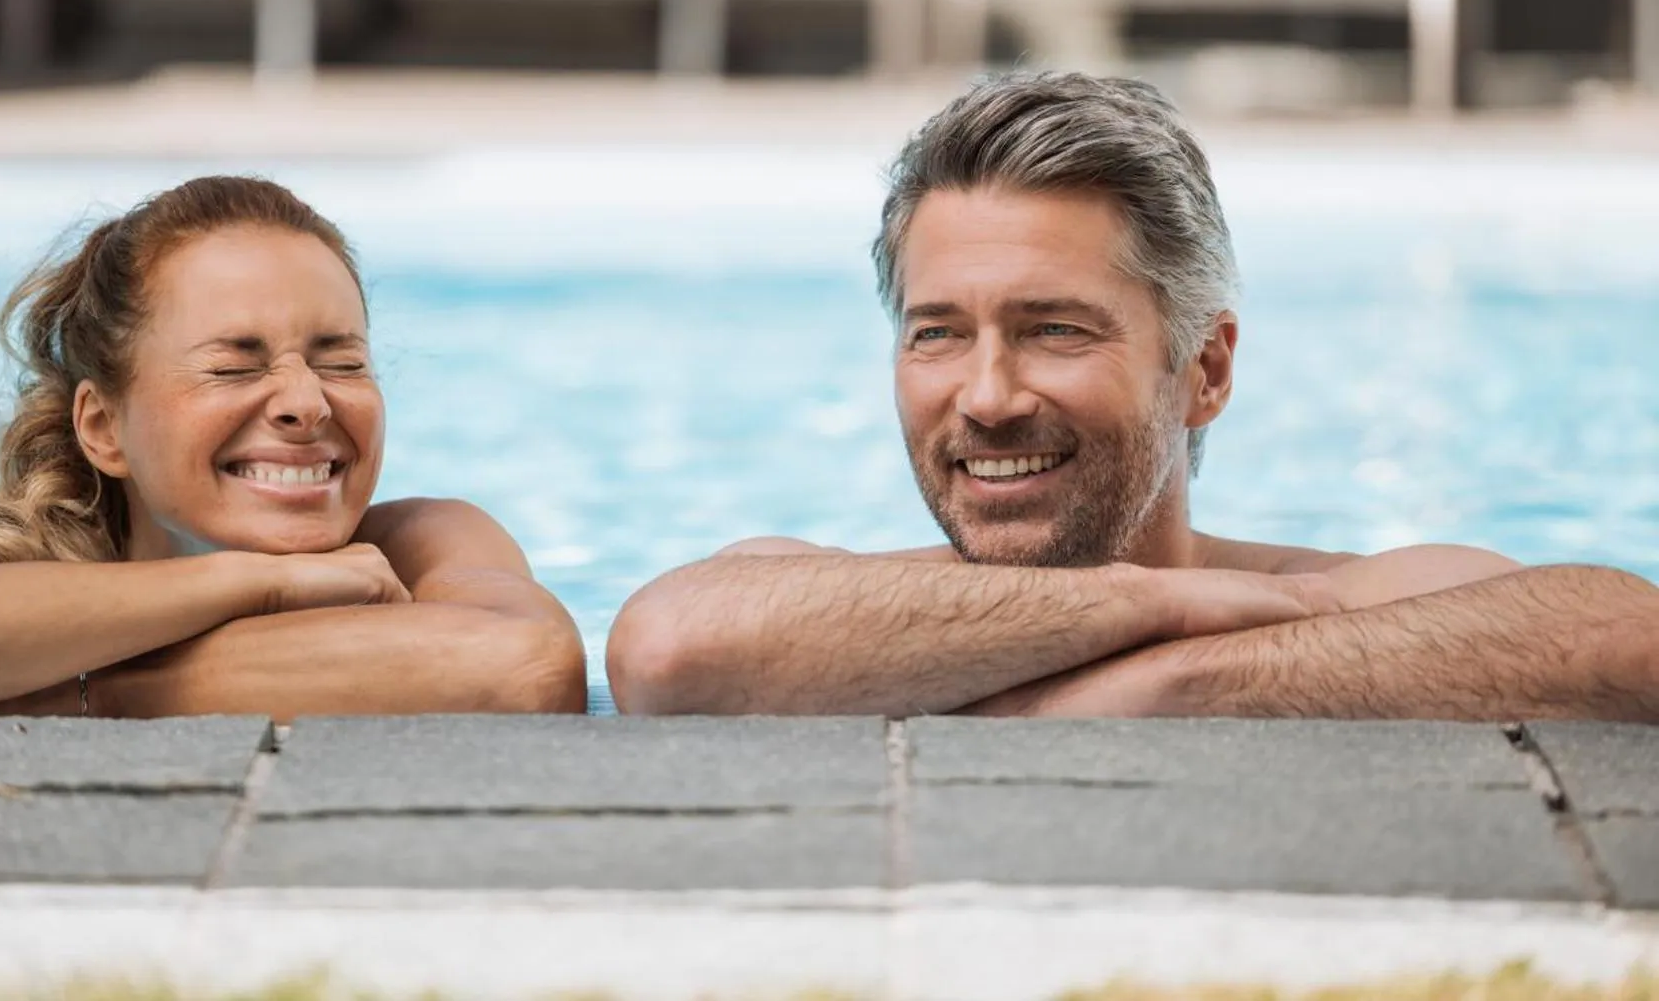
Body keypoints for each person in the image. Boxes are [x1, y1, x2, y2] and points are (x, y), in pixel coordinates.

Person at [607, 72, 1659, 720]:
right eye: (937, 333)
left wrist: (1166, 682)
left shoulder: (1323, 587)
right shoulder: (815, 592)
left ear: (1204, 370)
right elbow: (662, 648)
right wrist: (1154, 605)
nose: (984, 395)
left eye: (1051, 330)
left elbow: (1624, 639)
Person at [0, 175, 587, 719]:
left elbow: (525, 664)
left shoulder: (420, 544)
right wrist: (264, 584)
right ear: (104, 427)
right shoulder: (29, 574)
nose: (307, 402)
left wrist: (54, 693)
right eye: (234, 365)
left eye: (341, 362)